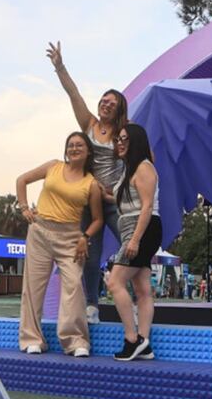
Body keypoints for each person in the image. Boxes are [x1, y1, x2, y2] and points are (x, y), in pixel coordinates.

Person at [46, 41, 126, 325]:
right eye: (104, 100)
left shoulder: (123, 134)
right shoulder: (89, 124)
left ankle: (135, 298)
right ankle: (91, 305)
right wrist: (60, 67)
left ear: (118, 111)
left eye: (112, 103)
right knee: (89, 257)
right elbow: (73, 93)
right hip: (88, 203)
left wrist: (116, 193)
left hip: (113, 202)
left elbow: (140, 162)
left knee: (132, 243)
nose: (106, 104)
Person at [16, 131, 103, 357]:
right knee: (33, 287)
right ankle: (31, 338)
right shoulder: (53, 167)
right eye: (71, 145)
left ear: (88, 152)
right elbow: (21, 180)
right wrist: (24, 207)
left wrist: (85, 237)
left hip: (71, 238)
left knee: (74, 287)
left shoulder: (91, 184)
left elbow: (98, 220)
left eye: (79, 146)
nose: (74, 149)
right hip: (40, 232)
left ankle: (75, 341)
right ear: (66, 150)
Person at [105, 124, 161, 361]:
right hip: (132, 226)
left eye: (125, 139)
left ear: (136, 141)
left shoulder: (144, 168)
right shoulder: (130, 171)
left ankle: (132, 338)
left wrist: (135, 239)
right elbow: (125, 200)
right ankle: (145, 344)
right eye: (118, 139)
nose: (119, 143)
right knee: (142, 289)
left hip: (142, 228)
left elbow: (146, 206)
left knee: (115, 282)